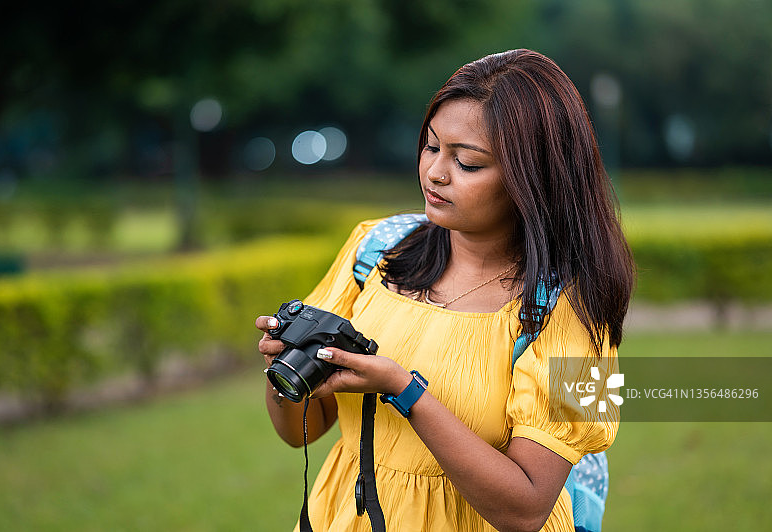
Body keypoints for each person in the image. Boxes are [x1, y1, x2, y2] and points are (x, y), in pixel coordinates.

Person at [256, 49, 634, 532]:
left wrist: (403, 390)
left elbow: (528, 509)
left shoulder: (583, 306)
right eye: (431, 147)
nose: (435, 173)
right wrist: (282, 372)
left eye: (468, 163)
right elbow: (300, 433)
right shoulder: (374, 248)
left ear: (533, 178)